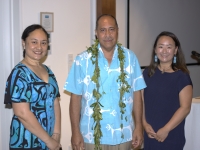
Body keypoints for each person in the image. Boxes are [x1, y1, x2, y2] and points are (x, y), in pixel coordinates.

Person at [64, 14, 146, 150]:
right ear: (96, 33)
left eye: (111, 29)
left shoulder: (130, 58)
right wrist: (75, 132)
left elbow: (137, 94)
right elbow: (75, 98)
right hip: (91, 136)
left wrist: (139, 127)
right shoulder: (82, 60)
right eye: (102, 30)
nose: (107, 34)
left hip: (124, 134)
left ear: (117, 31)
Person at [4, 24, 62, 150]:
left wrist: (56, 135)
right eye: (34, 42)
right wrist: (49, 141)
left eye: (43, 43)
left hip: (50, 140)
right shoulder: (20, 73)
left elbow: (55, 102)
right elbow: (22, 113)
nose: (39, 47)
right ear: (23, 43)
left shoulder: (48, 71)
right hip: (27, 142)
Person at [142, 31, 193, 150]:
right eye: (160, 46)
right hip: (150, 135)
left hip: (171, 136)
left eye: (169, 47)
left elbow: (185, 108)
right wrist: (144, 124)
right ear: (155, 49)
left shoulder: (182, 76)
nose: (164, 51)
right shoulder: (146, 73)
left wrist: (166, 129)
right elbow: (142, 101)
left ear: (175, 50)